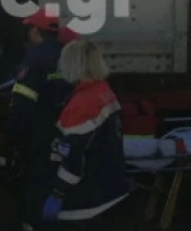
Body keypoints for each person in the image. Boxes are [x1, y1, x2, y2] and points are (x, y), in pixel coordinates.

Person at [39, 40, 130, 229]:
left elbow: (74, 158)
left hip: (87, 202)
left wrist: (57, 193)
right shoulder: (103, 90)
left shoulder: (80, 107)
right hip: (112, 188)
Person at [1, 9, 74, 230]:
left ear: (35, 30)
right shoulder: (68, 57)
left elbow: (21, 108)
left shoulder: (33, 60)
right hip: (65, 134)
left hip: (38, 137)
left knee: (36, 184)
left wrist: (7, 145)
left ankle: (34, 223)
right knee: (58, 179)